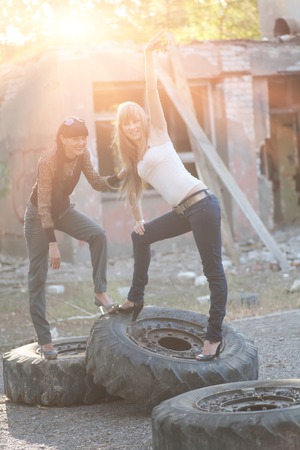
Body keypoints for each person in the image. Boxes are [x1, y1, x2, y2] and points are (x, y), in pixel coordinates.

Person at [114, 30, 228, 362]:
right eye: (126, 124)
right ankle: (136, 298)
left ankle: (214, 336)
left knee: (212, 271)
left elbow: (151, 89)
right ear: (121, 129)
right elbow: (132, 193)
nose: (133, 126)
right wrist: (138, 221)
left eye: (136, 120)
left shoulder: (159, 134)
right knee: (141, 237)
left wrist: (147, 55)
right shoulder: (134, 161)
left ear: (144, 120)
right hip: (183, 211)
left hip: (202, 204)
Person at [24, 116, 121, 360]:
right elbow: (44, 206)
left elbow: (96, 182)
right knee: (38, 277)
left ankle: (100, 292)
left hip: (64, 210)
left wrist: (119, 177)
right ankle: (45, 340)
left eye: (83, 138)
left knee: (97, 234)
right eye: (76, 138)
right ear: (63, 139)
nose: (81, 142)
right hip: (38, 216)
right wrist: (53, 243)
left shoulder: (83, 154)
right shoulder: (48, 160)